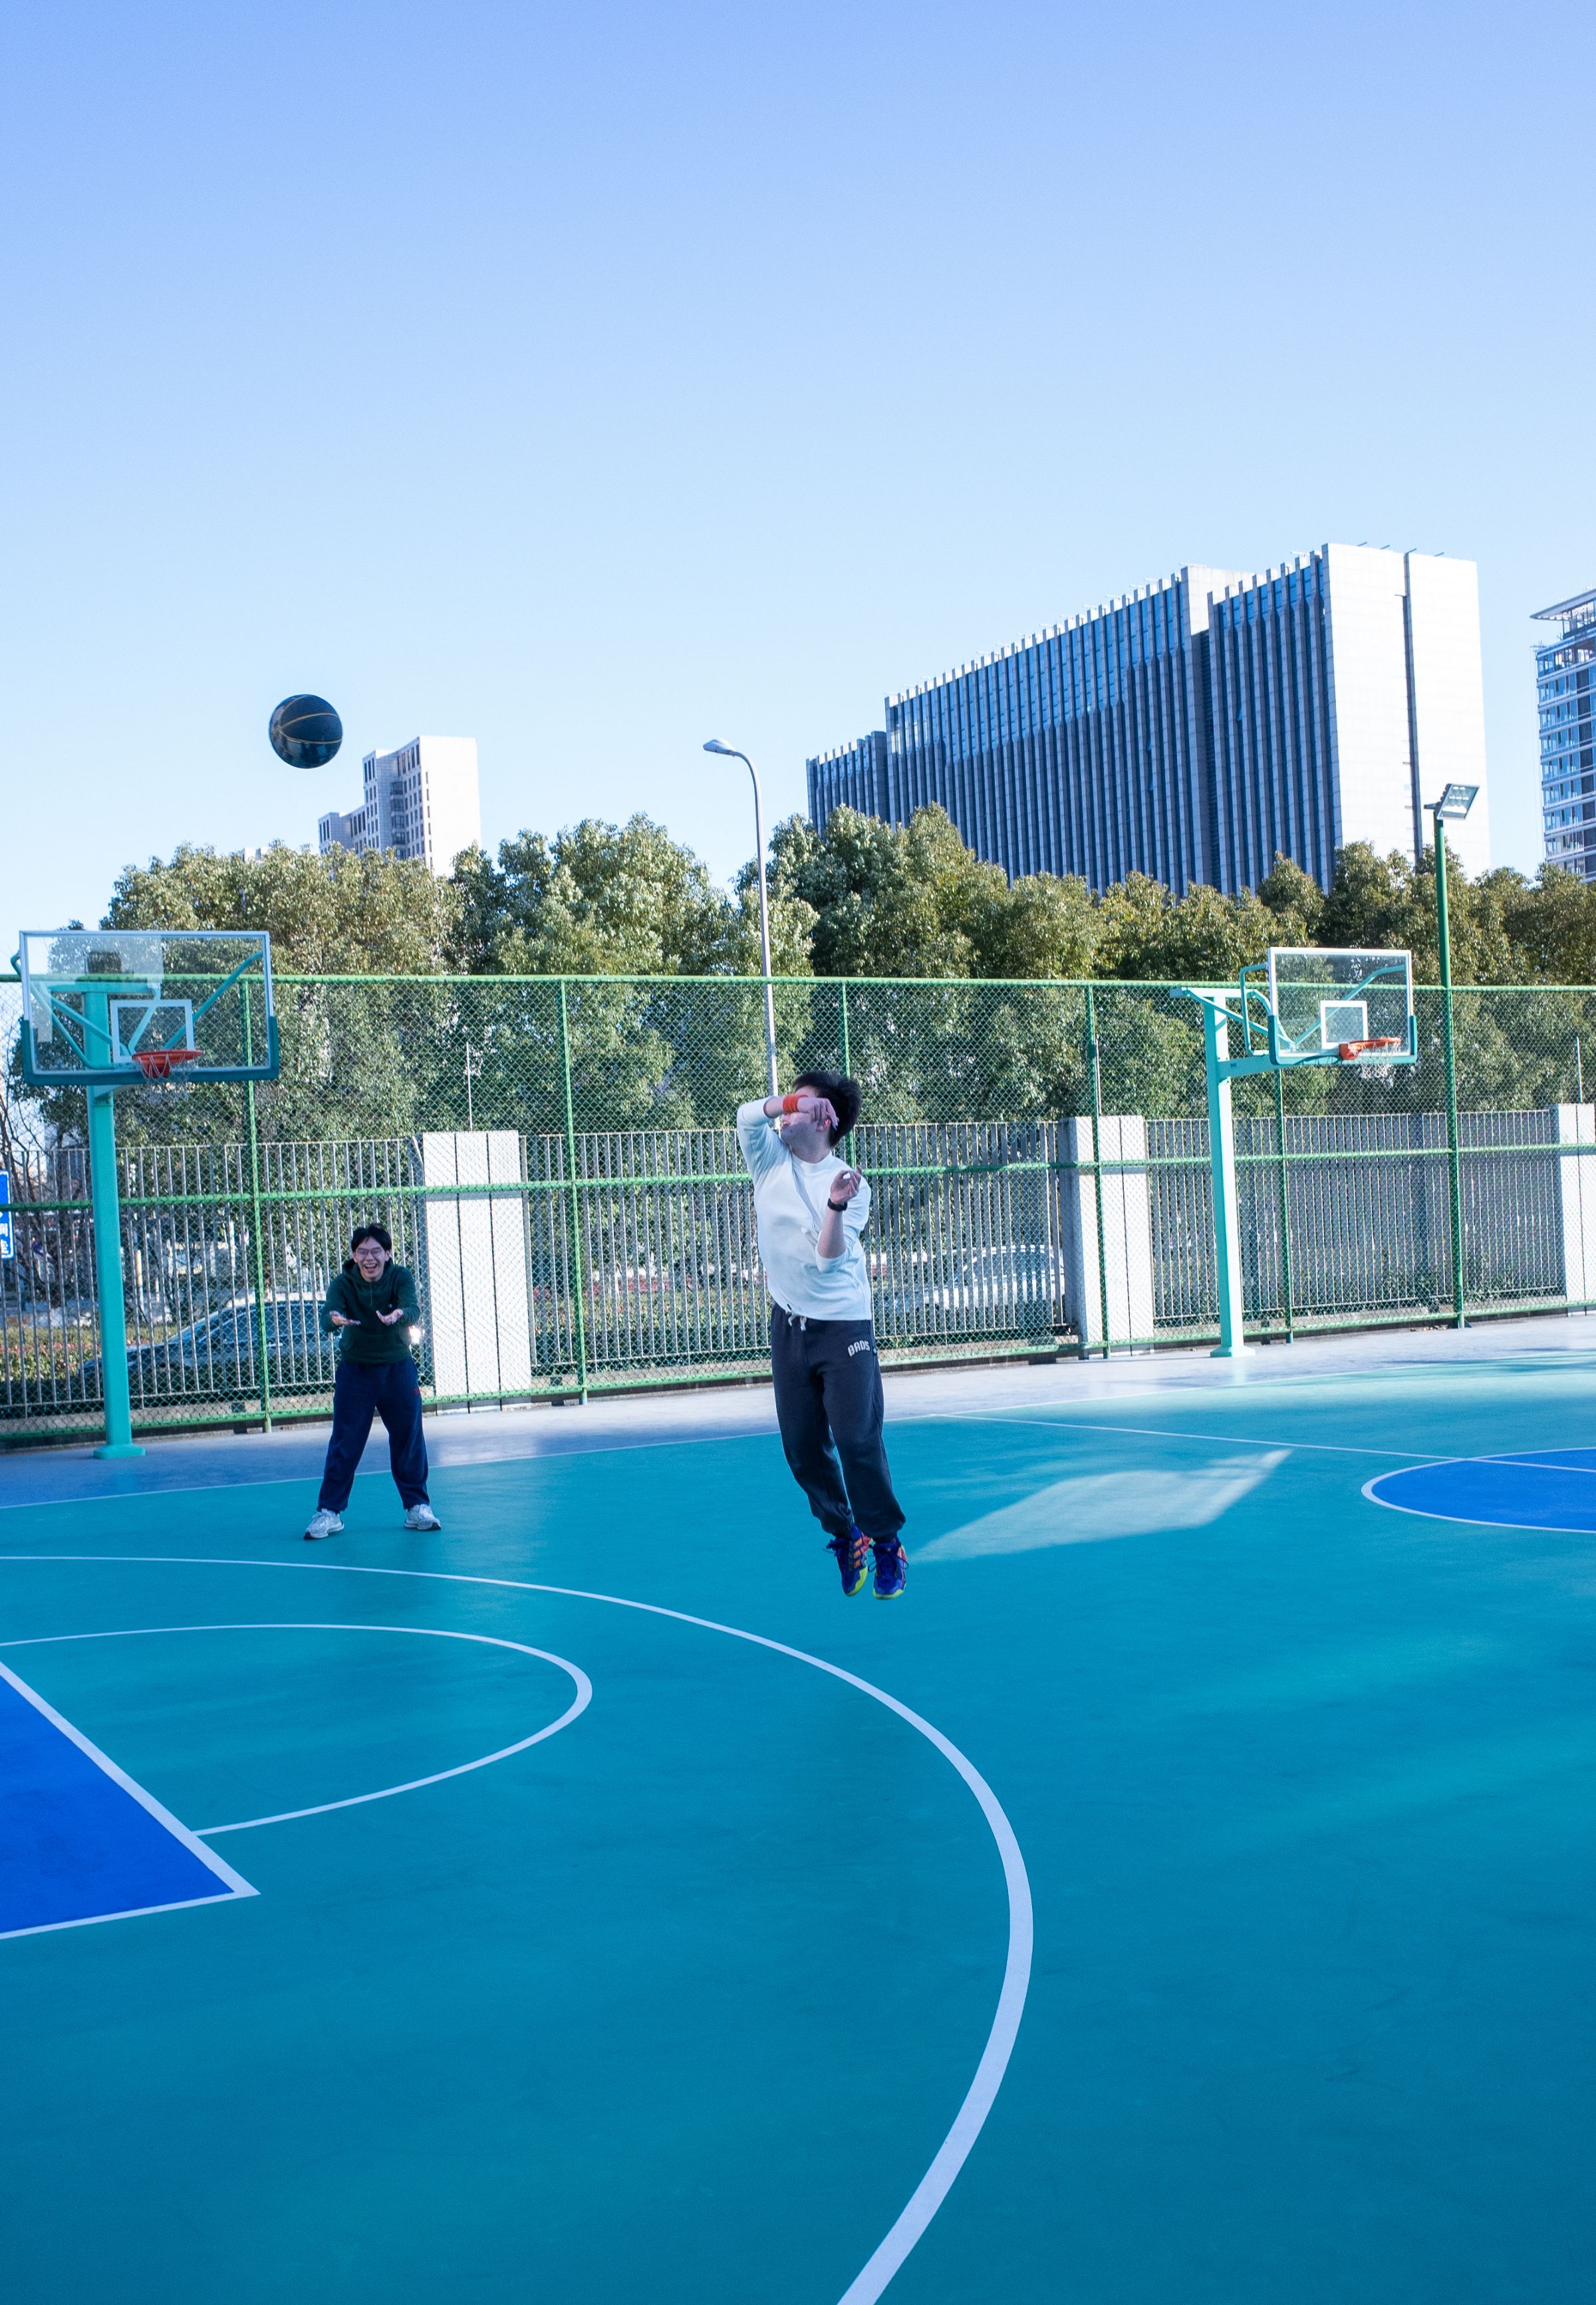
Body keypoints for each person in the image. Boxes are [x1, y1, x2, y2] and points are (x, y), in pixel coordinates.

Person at [735, 1069, 907, 1599]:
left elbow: (829, 1260)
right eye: (789, 1102)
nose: (786, 1112)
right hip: (789, 1323)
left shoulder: (851, 1184)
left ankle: (887, 1543)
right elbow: (746, 1115)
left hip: (843, 1325)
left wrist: (834, 1203)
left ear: (825, 1120)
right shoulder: (768, 1160)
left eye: (801, 1105)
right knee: (802, 1449)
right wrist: (789, 1102)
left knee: (856, 1438)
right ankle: (845, 1534)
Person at [303, 1223, 442, 1541]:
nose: (369, 1258)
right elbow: (328, 1315)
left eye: (376, 1251)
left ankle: (417, 1507)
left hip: (398, 1369)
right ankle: (329, 1512)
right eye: (363, 1252)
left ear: (387, 1253)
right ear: (354, 1256)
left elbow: (413, 1308)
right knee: (345, 1442)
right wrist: (335, 1319)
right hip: (356, 1372)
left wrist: (399, 1315)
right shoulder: (343, 1283)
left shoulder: (400, 1277)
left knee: (409, 1438)